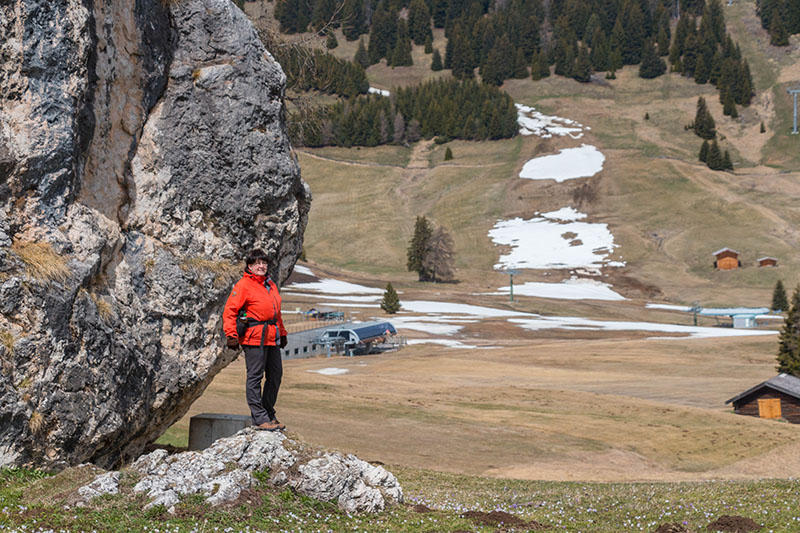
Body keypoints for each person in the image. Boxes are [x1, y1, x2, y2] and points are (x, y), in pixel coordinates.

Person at [223, 248, 289, 431]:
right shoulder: (243, 285)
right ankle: (260, 418)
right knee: (255, 377)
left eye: (264, 262)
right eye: (257, 263)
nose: (261, 266)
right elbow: (230, 311)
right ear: (249, 266)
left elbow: (276, 313)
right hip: (253, 338)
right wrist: (231, 335)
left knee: (275, 376)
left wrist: (282, 333)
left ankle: (268, 413)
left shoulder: (270, 285)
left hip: (271, 336)